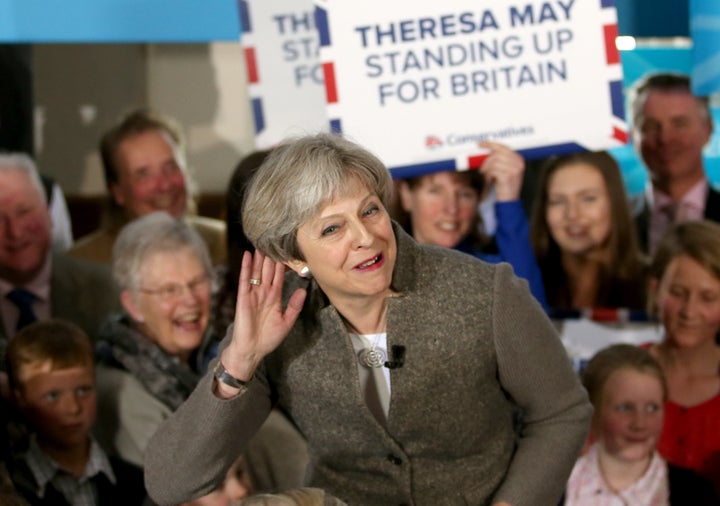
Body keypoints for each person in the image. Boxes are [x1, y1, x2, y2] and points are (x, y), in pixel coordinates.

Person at [144, 133, 592, 506]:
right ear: (294, 256)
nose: (366, 237)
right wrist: (239, 361)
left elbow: (561, 412)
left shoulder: (485, 292)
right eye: (332, 228)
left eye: (370, 210)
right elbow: (171, 484)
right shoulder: (275, 320)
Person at [94, 211, 219, 467]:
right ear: (133, 305)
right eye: (169, 290)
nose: (190, 300)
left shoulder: (218, 357)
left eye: (197, 283)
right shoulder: (123, 390)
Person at [5, 319, 147, 505]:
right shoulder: (11, 485)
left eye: (83, 390)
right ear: (20, 399)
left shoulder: (137, 483)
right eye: (52, 396)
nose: (73, 408)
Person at [393, 141, 547, 308]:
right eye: (435, 191)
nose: (451, 208)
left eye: (465, 194)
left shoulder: (493, 273)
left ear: (479, 200)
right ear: (406, 196)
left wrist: (508, 197)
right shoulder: (383, 274)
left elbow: (534, 318)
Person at [563, 344, 718, 504]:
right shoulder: (553, 486)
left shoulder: (695, 493)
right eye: (625, 408)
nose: (640, 424)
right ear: (593, 409)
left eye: (652, 408)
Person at [69, 109, 226, 265]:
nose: (164, 185)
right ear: (118, 192)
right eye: (143, 174)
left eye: (170, 167)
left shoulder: (224, 245)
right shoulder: (80, 265)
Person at [0, 153, 119, 360]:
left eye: (24, 211)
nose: (15, 232)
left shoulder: (105, 290)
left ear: (48, 215)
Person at [645, 220, 720, 495]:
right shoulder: (620, 372)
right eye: (678, 293)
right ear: (656, 290)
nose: (690, 311)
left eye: (708, 298)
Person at [530, 151, 648, 310]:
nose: (572, 214)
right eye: (558, 201)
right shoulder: (526, 281)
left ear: (615, 203)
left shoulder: (651, 283)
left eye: (588, 199)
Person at [630, 72, 717, 254]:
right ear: (633, 136)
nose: (665, 139)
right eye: (651, 126)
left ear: (708, 130)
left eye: (680, 124)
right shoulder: (613, 222)